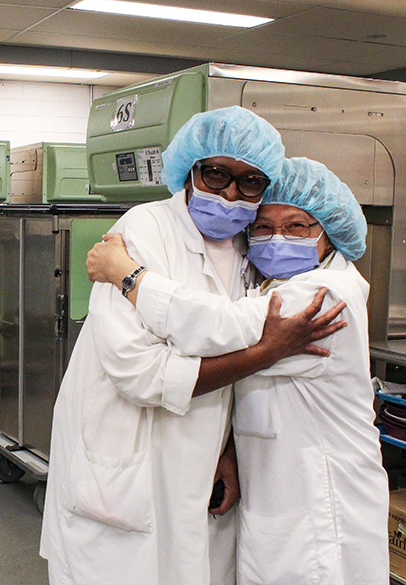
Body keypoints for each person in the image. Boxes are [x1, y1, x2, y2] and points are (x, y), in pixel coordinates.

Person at [39, 107, 345, 585]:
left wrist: (226, 451)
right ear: (188, 170)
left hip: (201, 459)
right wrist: (265, 350)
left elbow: (220, 336)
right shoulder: (143, 230)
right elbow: (139, 373)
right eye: (216, 174)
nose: (229, 194)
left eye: (249, 182)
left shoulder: (249, 246)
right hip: (126, 457)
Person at [87, 157, 388, 584]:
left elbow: (218, 326)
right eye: (263, 228)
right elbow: (249, 382)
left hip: (325, 506)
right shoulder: (268, 286)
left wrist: (128, 276)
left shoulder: (325, 296)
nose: (277, 238)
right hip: (275, 499)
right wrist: (228, 450)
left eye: (298, 226)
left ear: (330, 236)